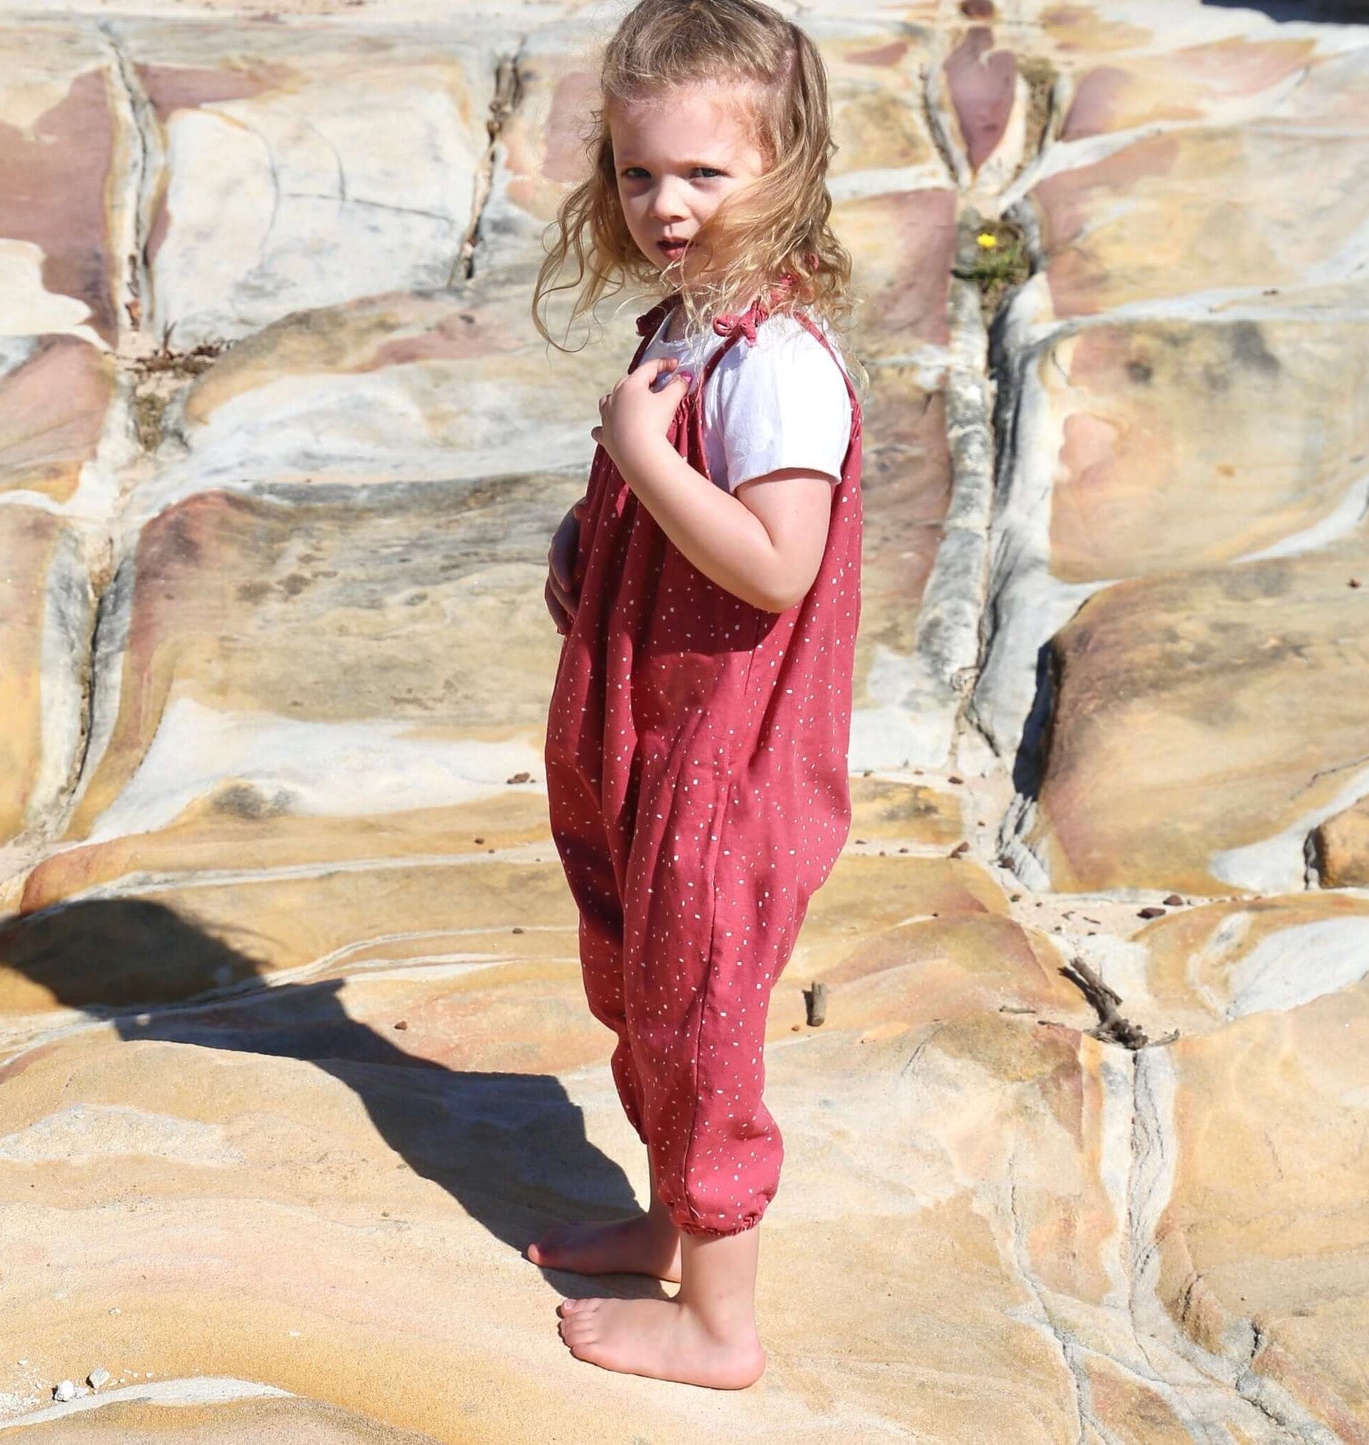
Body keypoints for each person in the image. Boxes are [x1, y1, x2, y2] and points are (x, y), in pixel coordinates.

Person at [527, 0, 863, 1390]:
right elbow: (668, 523)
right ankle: (670, 1223)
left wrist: (635, 455)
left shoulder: (776, 363)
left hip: (723, 767)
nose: (663, 203)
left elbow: (775, 565)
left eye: (703, 174)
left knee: (701, 1014)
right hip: (648, 737)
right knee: (641, 986)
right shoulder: (692, 326)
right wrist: (589, 539)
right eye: (636, 172)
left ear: (785, 168)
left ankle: (720, 1323)